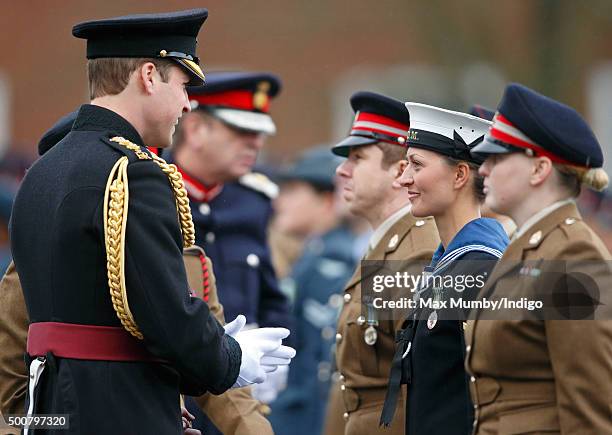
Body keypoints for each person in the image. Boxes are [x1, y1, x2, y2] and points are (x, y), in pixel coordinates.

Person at [8, 10, 294, 434]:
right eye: (181, 85)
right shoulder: (134, 172)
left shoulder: (44, 171)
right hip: (120, 411)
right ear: (147, 76)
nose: (186, 103)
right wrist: (232, 358)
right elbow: (166, 317)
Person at [0, 112, 274, 435]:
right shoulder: (45, 258)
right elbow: (12, 375)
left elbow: (213, 369)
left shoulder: (188, 262)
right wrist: (45, 424)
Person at [466, 83, 612, 434]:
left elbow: (590, 409)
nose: (483, 169)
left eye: (498, 158)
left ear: (539, 169)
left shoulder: (573, 255)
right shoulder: (530, 247)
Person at [381, 103, 509, 434]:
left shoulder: (480, 268)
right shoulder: (447, 264)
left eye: (416, 165)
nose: (404, 177)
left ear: (459, 175)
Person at [322, 91, 440, 435]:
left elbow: (423, 386)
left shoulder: (416, 253)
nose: (342, 170)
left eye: (357, 158)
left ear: (401, 170)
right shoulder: (389, 247)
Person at [169, 71, 290, 330]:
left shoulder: (253, 201)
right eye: (243, 130)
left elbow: (270, 301)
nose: (256, 143)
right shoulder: (151, 191)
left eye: (259, 133)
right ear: (195, 129)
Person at [268, 147, 357, 434]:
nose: (280, 202)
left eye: (293, 191)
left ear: (326, 200)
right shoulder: (314, 254)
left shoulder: (332, 262)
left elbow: (321, 365)